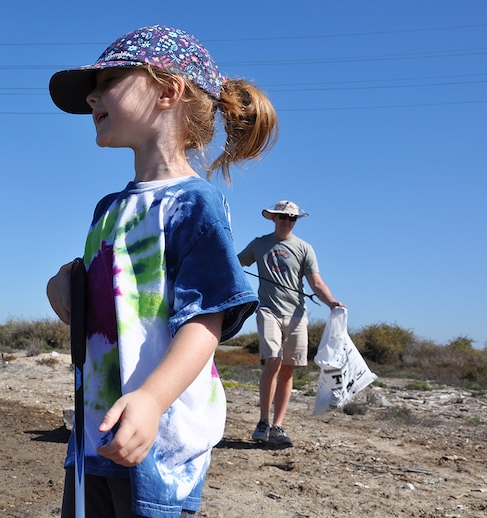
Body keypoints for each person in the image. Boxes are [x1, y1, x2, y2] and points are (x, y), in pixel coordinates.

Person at [46, 25, 278, 518]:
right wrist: (63, 282)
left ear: (168, 90)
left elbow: (206, 319)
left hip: (159, 441)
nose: (92, 95)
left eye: (109, 80)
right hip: (94, 436)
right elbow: (101, 292)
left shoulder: (194, 203)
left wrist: (151, 400)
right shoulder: (109, 208)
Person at [237, 200, 343, 448]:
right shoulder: (259, 244)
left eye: (291, 218)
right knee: (272, 360)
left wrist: (332, 303)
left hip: (296, 315)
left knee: (288, 369)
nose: (287, 221)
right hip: (268, 310)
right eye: (282, 217)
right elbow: (236, 262)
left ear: (296, 221)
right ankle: (262, 422)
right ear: (273, 218)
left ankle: (277, 426)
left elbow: (316, 283)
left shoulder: (304, 248)